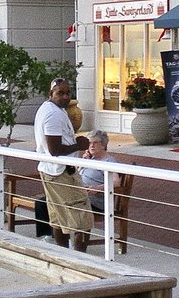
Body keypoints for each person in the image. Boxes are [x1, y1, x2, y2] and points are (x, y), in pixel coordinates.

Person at [34, 77, 92, 251]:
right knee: (82, 219)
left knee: (58, 218)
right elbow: (55, 149)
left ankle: (64, 255)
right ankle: (80, 259)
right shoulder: (52, 114)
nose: (65, 97)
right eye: (60, 93)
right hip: (61, 174)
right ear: (51, 94)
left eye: (68, 93)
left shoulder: (51, 109)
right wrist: (79, 145)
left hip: (51, 171)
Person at [80, 129, 122, 212]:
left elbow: (116, 183)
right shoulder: (90, 159)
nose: (91, 146)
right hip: (82, 197)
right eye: (89, 143)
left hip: (95, 201)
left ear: (103, 145)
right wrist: (83, 163)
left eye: (95, 143)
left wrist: (98, 188)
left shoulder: (108, 161)